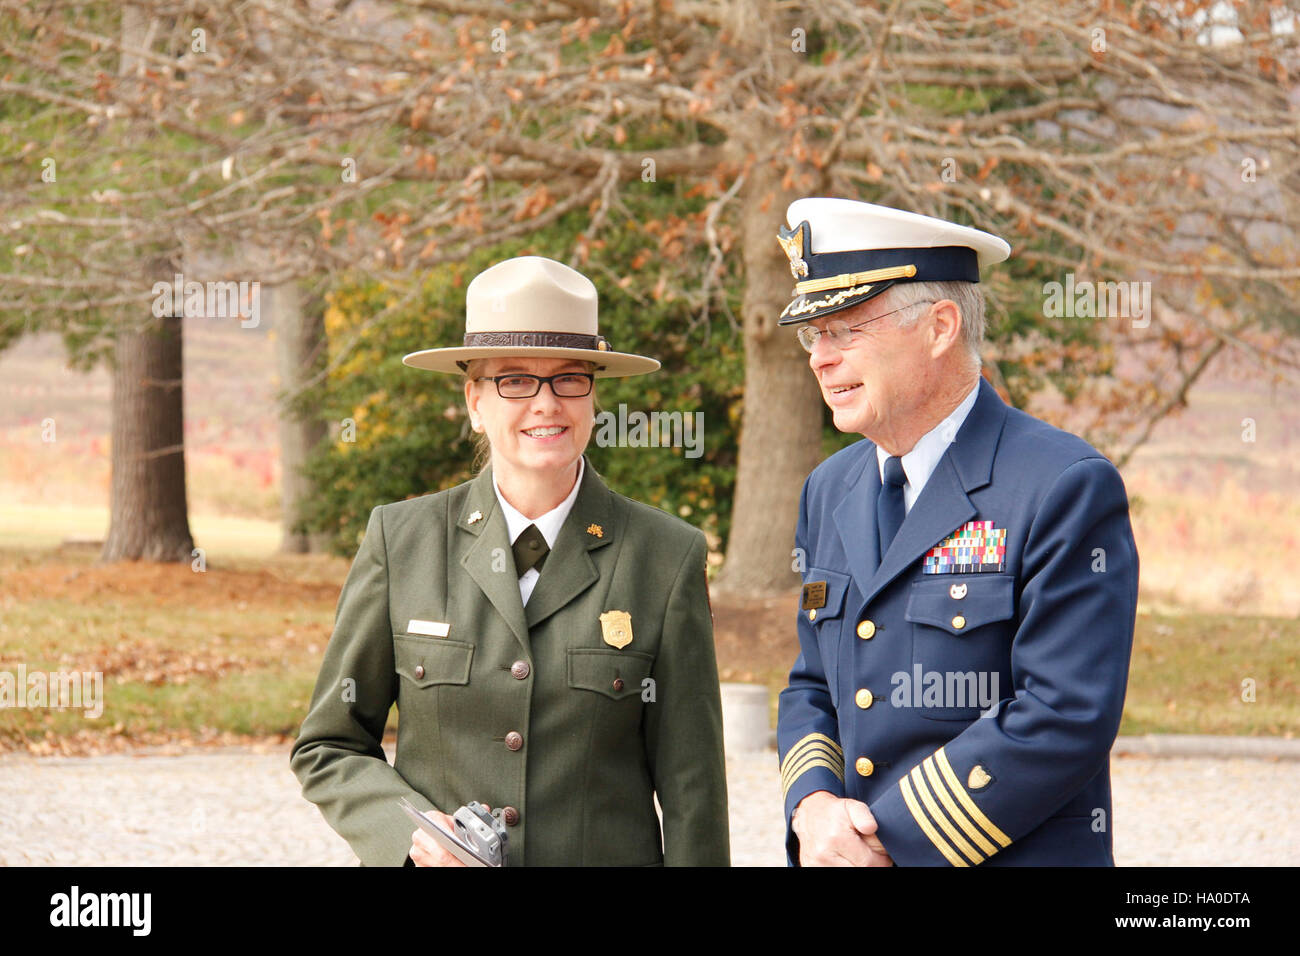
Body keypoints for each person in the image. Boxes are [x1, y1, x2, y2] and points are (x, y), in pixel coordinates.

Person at [290, 255, 729, 866]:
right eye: (515, 380)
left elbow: (693, 790)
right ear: (475, 401)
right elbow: (330, 745)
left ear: (593, 397)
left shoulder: (665, 556)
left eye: (569, 378)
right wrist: (412, 841)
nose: (546, 404)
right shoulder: (402, 540)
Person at [774, 198, 1138, 866]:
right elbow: (812, 685)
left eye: (844, 329)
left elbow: (1064, 716)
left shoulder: (1061, 484)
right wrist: (814, 806)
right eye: (813, 335)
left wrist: (886, 842)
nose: (820, 359)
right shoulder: (829, 489)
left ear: (940, 327)